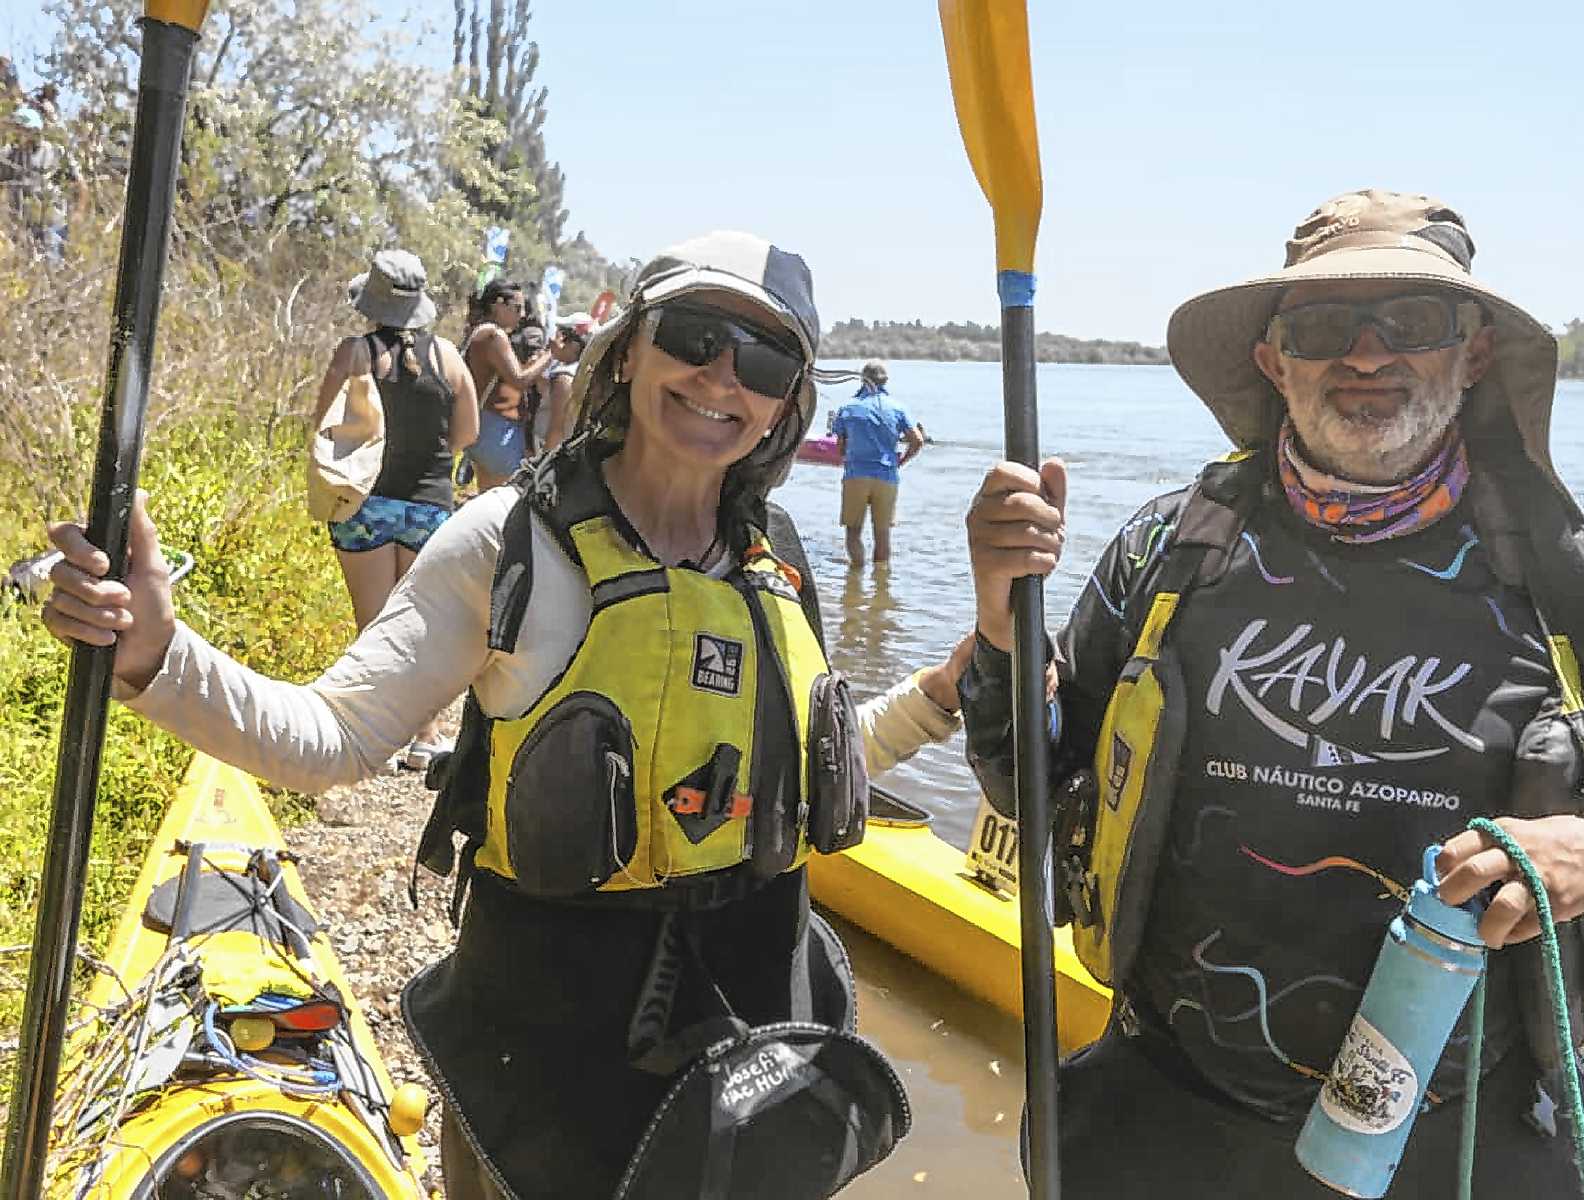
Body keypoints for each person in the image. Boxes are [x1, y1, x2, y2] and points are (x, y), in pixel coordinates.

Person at [42, 231, 977, 1199]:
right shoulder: (510, 543)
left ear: (789, 398)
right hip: (549, 1088)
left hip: (747, 1079)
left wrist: (939, 697)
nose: (721, 378)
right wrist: (159, 655)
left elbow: (798, 773)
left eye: (764, 360)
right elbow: (337, 736)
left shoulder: (774, 561)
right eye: (695, 337)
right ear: (632, 346)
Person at [960, 190, 1584, 1197]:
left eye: (1410, 323)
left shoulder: (1566, 579)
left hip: (1459, 1139)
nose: (1367, 356)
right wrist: (1000, 627)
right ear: (1272, 360)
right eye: (1326, 327)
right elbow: (1018, 779)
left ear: (1471, 354)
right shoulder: (1168, 555)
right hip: (1170, 1112)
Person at [314, 249, 478, 770]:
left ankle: (378, 739)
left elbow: (323, 422)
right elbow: (467, 433)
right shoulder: (449, 357)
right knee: (418, 626)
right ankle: (426, 736)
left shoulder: (355, 352)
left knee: (373, 625)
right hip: (430, 508)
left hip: (366, 502)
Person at [460, 279, 554, 491]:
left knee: (486, 495)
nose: (521, 316)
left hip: (484, 424)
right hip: (498, 429)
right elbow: (519, 380)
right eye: (517, 308)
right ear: (498, 305)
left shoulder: (479, 332)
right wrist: (550, 355)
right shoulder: (494, 335)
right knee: (504, 501)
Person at [830, 360, 925, 566]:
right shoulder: (898, 408)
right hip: (887, 477)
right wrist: (901, 461)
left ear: (862, 380)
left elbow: (840, 449)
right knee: (882, 536)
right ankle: (881, 585)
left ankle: (856, 575)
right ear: (885, 381)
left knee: (853, 533)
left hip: (856, 475)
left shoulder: (848, 407)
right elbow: (917, 440)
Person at [538, 310, 594, 453]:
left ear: (574, 345)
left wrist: (541, 466)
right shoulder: (581, 372)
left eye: (562, 335)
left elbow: (556, 429)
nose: (554, 340)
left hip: (549, 450)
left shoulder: (564, 378)